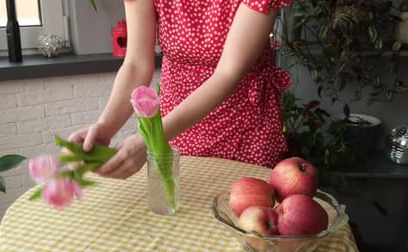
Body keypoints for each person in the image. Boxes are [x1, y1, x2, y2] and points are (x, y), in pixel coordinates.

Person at [69, 0, 293, 179]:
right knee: (177, 212)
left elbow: (228, 73)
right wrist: (106, 126)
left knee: (239, 221)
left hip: (243, 126)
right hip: (174, 126)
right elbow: (136, 64)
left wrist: (149, 139)